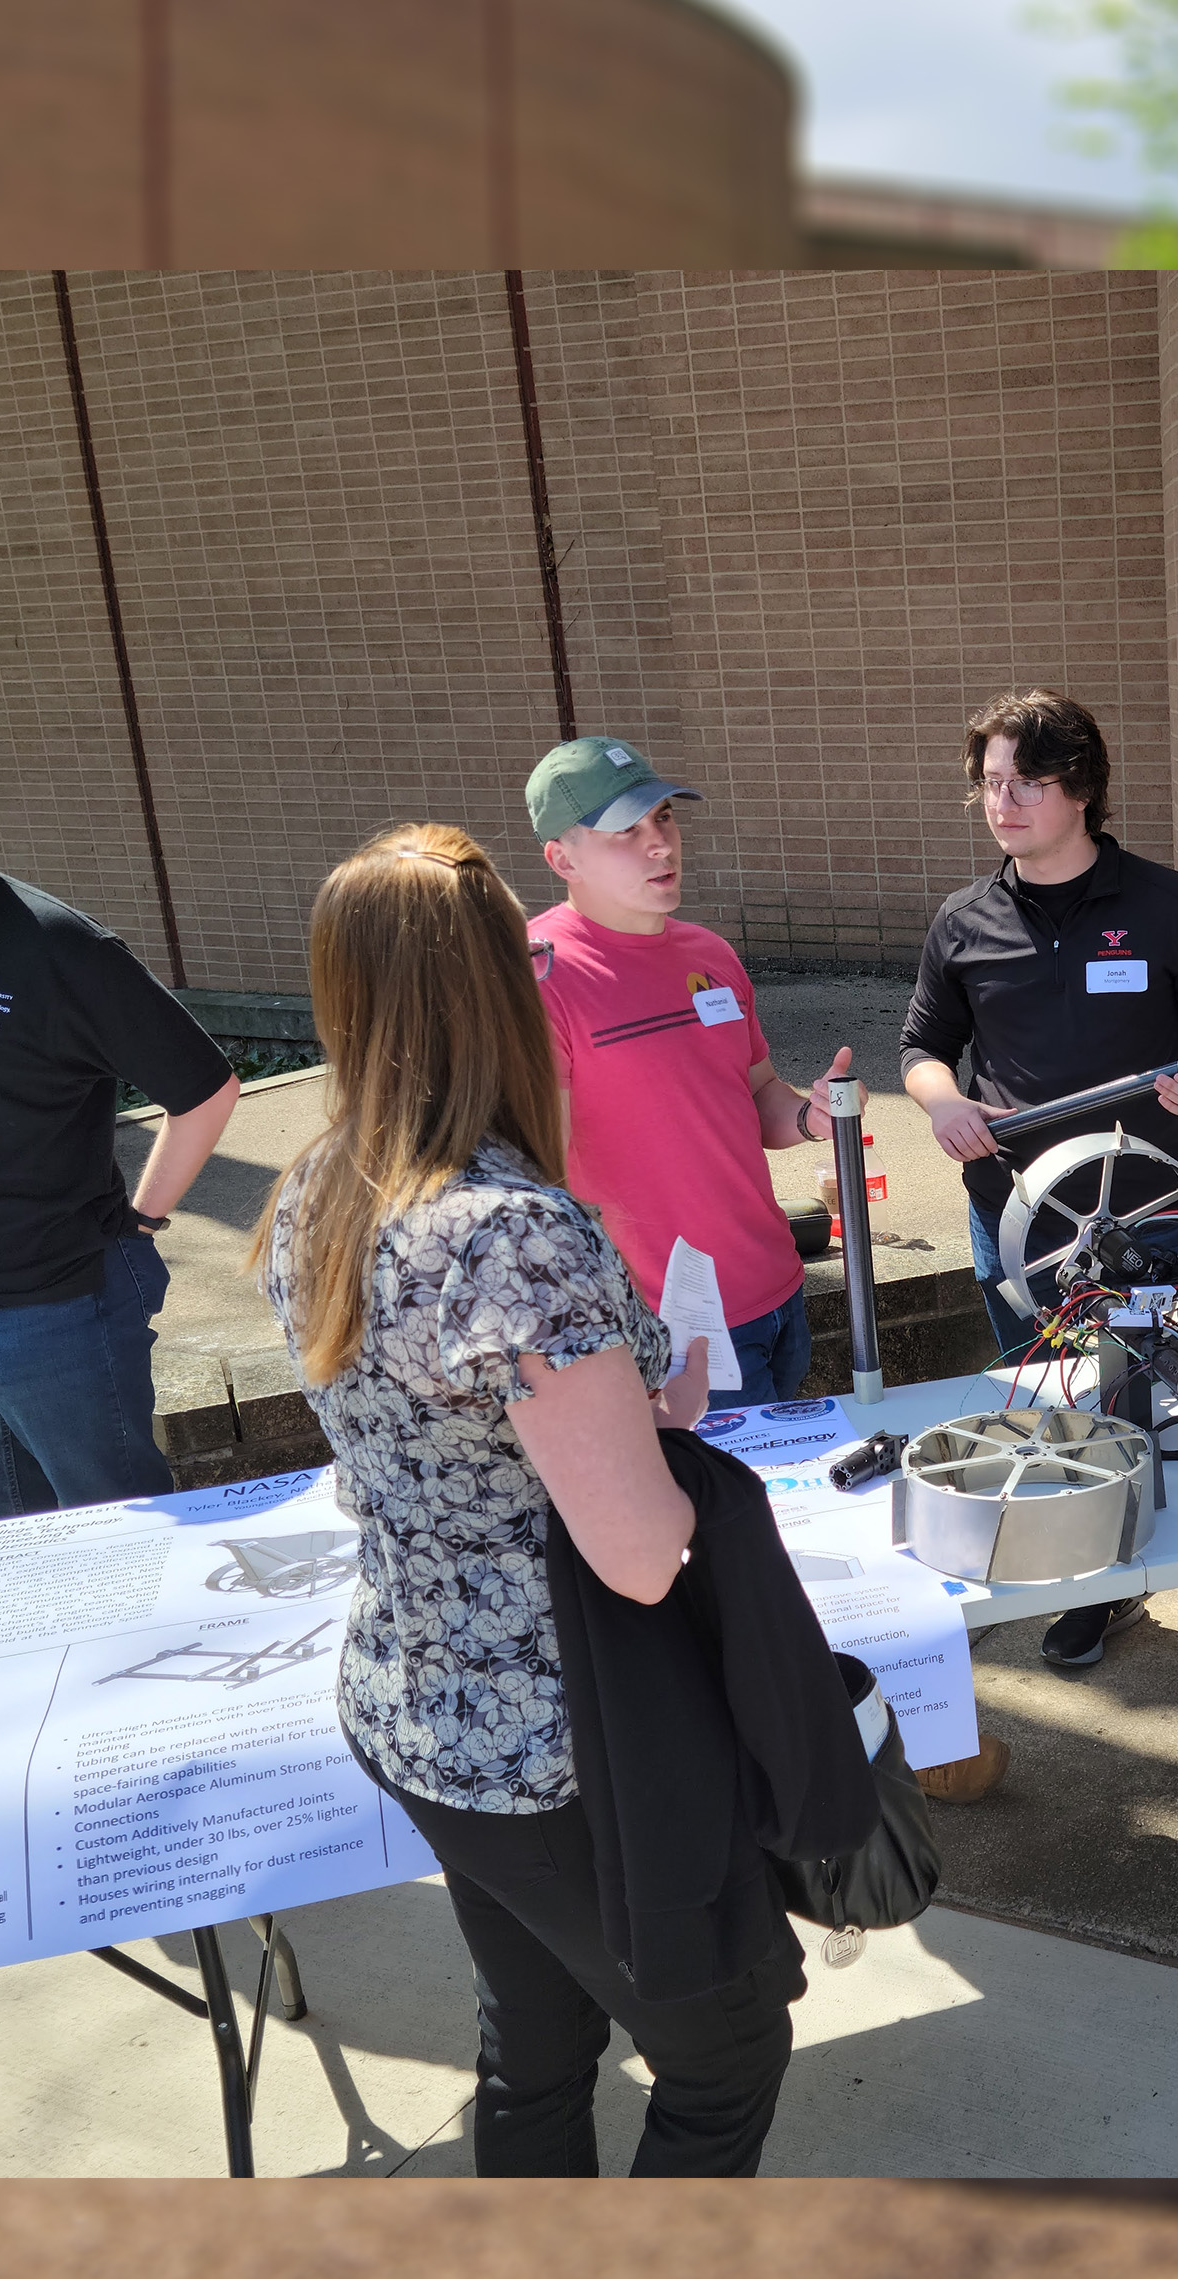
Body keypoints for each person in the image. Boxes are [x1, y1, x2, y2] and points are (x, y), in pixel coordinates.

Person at [251, 822, 799, 2179]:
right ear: (502, 986)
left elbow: (448, 1422)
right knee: (726, 2050)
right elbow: (641, 1554)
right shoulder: (507, 1230)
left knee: (536, 2041)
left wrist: (614, 1415)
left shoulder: (319, 1185)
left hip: (410, 1700)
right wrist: (664, 1428)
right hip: (558, 1739)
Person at [896, 688, 1178, 1723]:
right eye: (990, 783)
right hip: (1022, 1229)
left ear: (1080, 787)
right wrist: (942, 1104)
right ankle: (1099, 1590)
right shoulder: (964, 921)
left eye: (1025, 782)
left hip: (1150, 1220)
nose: (1002, 802)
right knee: (1065, 1420)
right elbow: (923, 1048)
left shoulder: (1165, 904)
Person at [0, 731, 239, 1529]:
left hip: (54, 1309)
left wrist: (143, 1219)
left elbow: (206, 1090)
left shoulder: (55, 945)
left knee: (117, 1540)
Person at [521, 733, 853, 1404]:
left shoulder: (711, 954)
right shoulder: (536, 980)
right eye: (626, 830)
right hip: (666, 1326)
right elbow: (538, 1179)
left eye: (664, 817)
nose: (660, 844)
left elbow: (757, 1092)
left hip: (778, 1291)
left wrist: (811, 1116)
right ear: (562, 858)